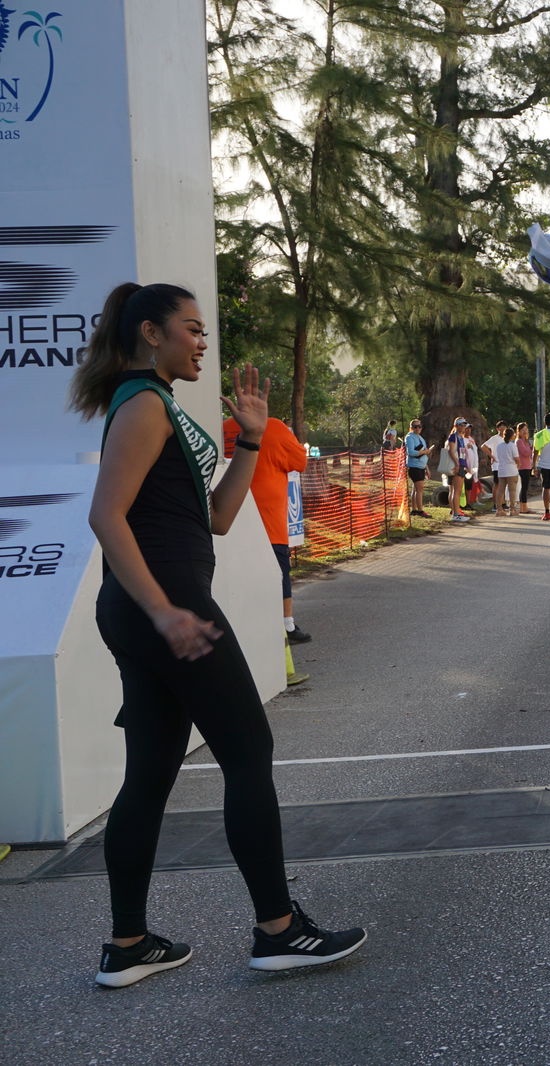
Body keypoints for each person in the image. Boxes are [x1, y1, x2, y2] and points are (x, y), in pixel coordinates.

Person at [70, 282, 365, 989]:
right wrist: (165, 611)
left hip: (150, 607)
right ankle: (278, 929)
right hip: (164, 605)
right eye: (192, 329)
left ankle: (128, 943)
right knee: (248, 749)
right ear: (150, 333)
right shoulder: (142, 404)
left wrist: (255, 439)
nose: (203, 342)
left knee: (149, 773)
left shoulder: (156, 402)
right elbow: (106, 517)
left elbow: (219, 518)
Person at [220, 412, 311, 643]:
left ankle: (242, 625)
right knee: (279, 575)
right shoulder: (275, 427)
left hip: (228, 520)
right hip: (269, 524)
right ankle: (286, 625)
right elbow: (300, 462)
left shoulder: (221, 429)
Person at [444, 418, 473, 522]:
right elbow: (451, 451)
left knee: (455, 491)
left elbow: (461, 453)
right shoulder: (453, 437)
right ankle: (456, 514)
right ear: (456, 425)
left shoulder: (460, 437)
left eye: (464, 425)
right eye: (461, 425)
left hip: (460, 465)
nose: (463, 427)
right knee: (456, 491)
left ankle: (455, 512)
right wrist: (457, 464)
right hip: (456, 465)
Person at [404, 418, 432, 517]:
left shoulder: (420, 437)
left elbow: (423, 453)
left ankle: (414, 510)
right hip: (414, 466)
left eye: (419, 426)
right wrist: (425, 452)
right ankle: (420, 511)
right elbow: (410, 452)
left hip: (421, 466)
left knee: (415, 489)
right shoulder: (409, 437)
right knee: (419, 489)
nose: (417, 428)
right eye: (415, 426)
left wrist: (427, 468)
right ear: (411, 428)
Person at [515, 422, 536, 514]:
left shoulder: (526, 441)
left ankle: (524, 507)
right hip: (522, 467)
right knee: (524, 487)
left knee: (525, 487)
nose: (525, 432)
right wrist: (532, 449)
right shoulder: (519, 441)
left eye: (526, 430)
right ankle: (523, 508)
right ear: (518, 431)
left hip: (527, 466)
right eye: (522, 430)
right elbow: (526, 453)